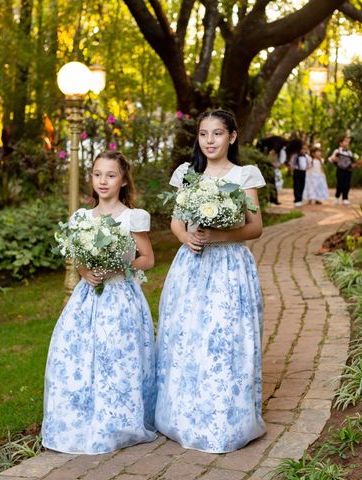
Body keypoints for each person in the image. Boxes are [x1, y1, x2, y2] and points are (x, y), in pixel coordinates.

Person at [155, 109, 267, 453]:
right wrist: (185, 238)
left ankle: (226, 413)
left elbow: (255, 227)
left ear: (232, 137)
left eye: (217, 134)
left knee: (224, 337)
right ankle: (184, 412)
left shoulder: (244, 175)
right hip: (191, 266)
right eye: (204, 134)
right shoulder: (188, 174)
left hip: (229, 267)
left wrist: (216, 236)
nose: (210, 141)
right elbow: (176, 220)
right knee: (187, 334)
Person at [42, 150, 157, 454]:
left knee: (116, 359)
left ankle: (117, 421)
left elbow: (148, 259)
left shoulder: (132, 217)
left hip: (120, 297)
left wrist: (119, 268)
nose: (102, 181)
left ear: (122, 181)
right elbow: (77, 257)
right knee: (78, 357)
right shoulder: (81, 218)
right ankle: (80, 418)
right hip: (87, 299)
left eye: (111, 175)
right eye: (97, 174)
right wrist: (84, 271)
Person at [329, 135, 355, 205]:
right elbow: (331, 159)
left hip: (348, 170)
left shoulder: (349, 152)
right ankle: (337, 197)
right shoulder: (337, 151)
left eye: (348, 142)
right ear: (340, 143)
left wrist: (353, 165)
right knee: (340, 184)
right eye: (345, 141)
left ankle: (345, 198)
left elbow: (352, 161)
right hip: (340, 169)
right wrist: (333, 159)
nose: (347, 143)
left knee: (347, 184)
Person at [287, 139, 306, 207]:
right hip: (297, 171)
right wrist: (292, 168)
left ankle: (300, 198)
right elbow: (291, 163)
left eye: (305, 149)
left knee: (302, 186)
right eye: (302, 149)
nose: (304, 150)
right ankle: (297, 200)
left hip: (303, 172)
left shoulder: (306, 156)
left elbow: (309, 164)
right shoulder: (295, 155)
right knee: (297, 185)